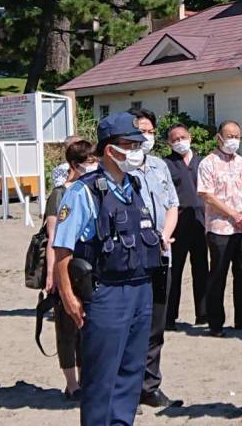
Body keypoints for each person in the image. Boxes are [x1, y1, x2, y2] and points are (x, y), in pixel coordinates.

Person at [52, 112, 160, 426]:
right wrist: (69, 297)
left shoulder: (135, 186)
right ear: (110, 149)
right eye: (131, 143)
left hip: (141, 289)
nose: (139, 149)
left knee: (130, 372)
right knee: (101, 378)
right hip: (106, 294)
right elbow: (62, 250)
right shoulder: (83, 191)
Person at [129, 109, 181, 409]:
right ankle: (127, 386)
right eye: (140, 131)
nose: (145, 136)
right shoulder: (119, 169)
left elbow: (172, 204)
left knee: (156, 325)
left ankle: (150, 385)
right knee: (131, 323)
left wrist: (165, 234)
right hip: (133, 258)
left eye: (150, 131)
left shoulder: (160, 166)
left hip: (162, 253)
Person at [43, 139, 97, 400]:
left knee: (88, 326)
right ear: (75, 164)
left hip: (88, 269)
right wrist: (52, 275)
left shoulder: (94, 189)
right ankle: (72, 383)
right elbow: (54, 238)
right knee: (67, 327)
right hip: (66, 267)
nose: (95, 165)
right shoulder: (60, 194)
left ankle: (88, 377)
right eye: (90, 161)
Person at [198, 120, 242, 337]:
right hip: (220, 228)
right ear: (219, 138)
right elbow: (207, 194)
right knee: (218, 275)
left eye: (237, 136)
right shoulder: (208, 163)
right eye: (230, 136)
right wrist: (232, 214)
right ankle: (215, 322)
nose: (233, 140)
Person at [163, 123, 208, 330]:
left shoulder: (203, 162)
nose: (180, 142)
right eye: (175, 139)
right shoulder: (166, 165)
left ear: (190, 136)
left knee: (201, 270)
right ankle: (169, 317)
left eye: (182, 137)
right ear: (169, 143)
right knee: (175, 271)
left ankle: (203, 314)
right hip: (177, 224)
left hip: (200, 221)